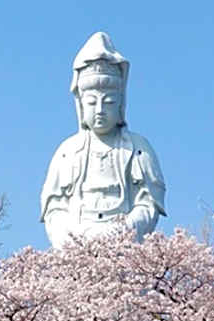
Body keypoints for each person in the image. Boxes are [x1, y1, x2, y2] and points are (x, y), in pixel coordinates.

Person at [40, 32, 166, 248]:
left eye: (107, 102)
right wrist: (72, 239)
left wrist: (123, 230)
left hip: (123, 237)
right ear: (80, 105)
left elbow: (148, 204)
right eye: (91, 103)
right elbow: (54, 209)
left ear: (120, 104)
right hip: (77, 238)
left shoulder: (138, 148)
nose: (99, 111)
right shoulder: (67, 151)